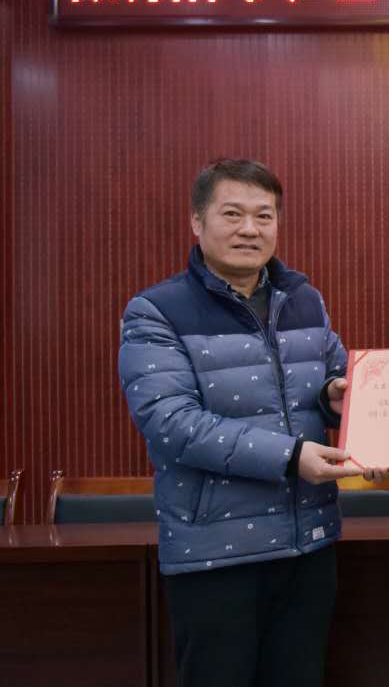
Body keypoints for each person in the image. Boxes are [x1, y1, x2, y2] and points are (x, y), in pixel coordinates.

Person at [118, 158, 357, 687]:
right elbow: (171, 422)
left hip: (307, 544)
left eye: (263, 216)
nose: (250, 229)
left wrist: (335, 396)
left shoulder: (303, 299)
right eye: (233, 214)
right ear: (197, 221)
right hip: (214, 554)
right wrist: (291, 457)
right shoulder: (156, 311)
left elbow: (333, 377)